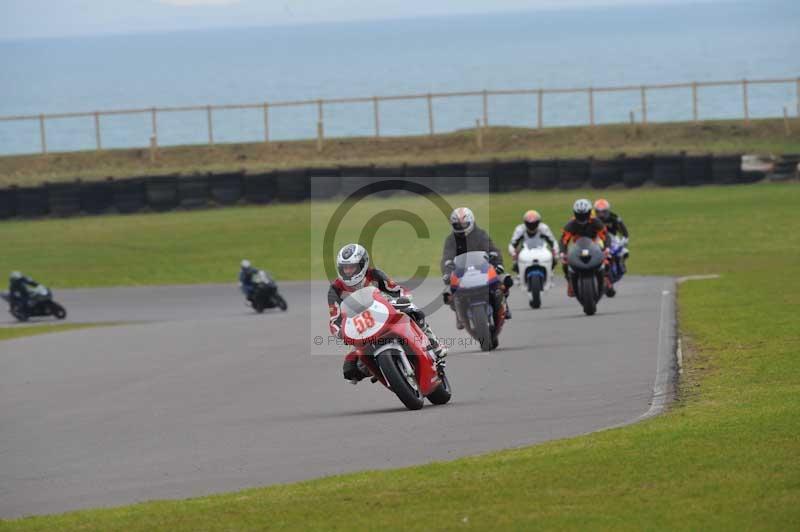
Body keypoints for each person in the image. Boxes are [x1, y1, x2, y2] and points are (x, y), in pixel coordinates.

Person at [328, 244, 447, 383]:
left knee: (415, 312)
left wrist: (404, 299)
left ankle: (434, 345)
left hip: (386, 311)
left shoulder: (375, 274)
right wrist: (340, 332)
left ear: (362, 264)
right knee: (351, 369)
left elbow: (397, 289)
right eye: (345, 268)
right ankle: (380, 369)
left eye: (352, 267)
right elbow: (334, 319)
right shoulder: (335, 289)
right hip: (362, 325)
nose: (348, 271)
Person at [441, 207, 512, 324]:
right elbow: (446, 258)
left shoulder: (481, 234)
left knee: (504, 281)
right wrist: (447, 273)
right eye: (458, 225)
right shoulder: (451, 240)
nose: (461, 228)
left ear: (471, 222)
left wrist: (498, 263)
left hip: (482, 270)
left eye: (464, 225)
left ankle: (504, 305)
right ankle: (460, 313)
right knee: (448, 293)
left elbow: (493, 250)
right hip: (462, 273)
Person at [559, 199, 611, 298]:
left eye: (584, 215)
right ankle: (570, 282)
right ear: (575, 213)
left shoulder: (596, 222)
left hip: (595, 243)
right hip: (577, 246)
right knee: (565, 262)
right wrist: (563, 252)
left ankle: (605, 278)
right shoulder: (571, 224)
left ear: (589, 213)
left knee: (607, 258)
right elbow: (563, 240)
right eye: (579, 215)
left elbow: (605, 236)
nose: (582, 218)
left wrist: (607, 248)